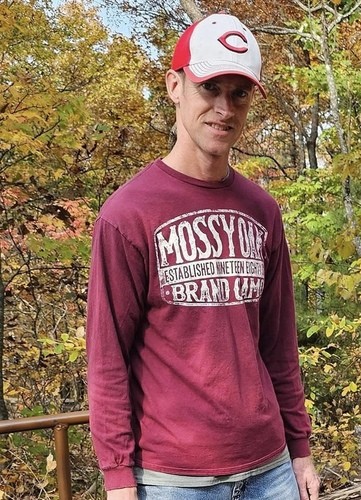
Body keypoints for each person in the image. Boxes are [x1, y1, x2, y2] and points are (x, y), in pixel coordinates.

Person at [86, 12, 320, 500]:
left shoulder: (262, 210)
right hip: (172, 480)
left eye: (239, 93)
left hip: (271, 471)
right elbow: (107, 359)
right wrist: (118, 479)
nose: (224, 108)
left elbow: (280, 345)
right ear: (175, 86)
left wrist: (300, 450)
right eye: (209, 88)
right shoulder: (127, 215)